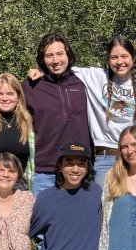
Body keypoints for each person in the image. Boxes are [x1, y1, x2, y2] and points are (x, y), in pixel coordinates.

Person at [22, 33, 91, 196]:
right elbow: (6, 104)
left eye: (60, 54)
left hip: (78, 170)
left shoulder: (82, 83)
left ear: (68, 55)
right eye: (49, 55)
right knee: (43, 221)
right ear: (42, 59)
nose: (55, 60)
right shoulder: (31, 85)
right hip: (43, 172)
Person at [73, 37, 136, 185]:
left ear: (133, 58)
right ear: (108, 60)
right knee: (104, 206)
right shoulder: (96, 77)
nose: (120, 62)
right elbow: (61, 67)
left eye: (124, 56)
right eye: (114, 57)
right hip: (106, 158)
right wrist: (39, 71)